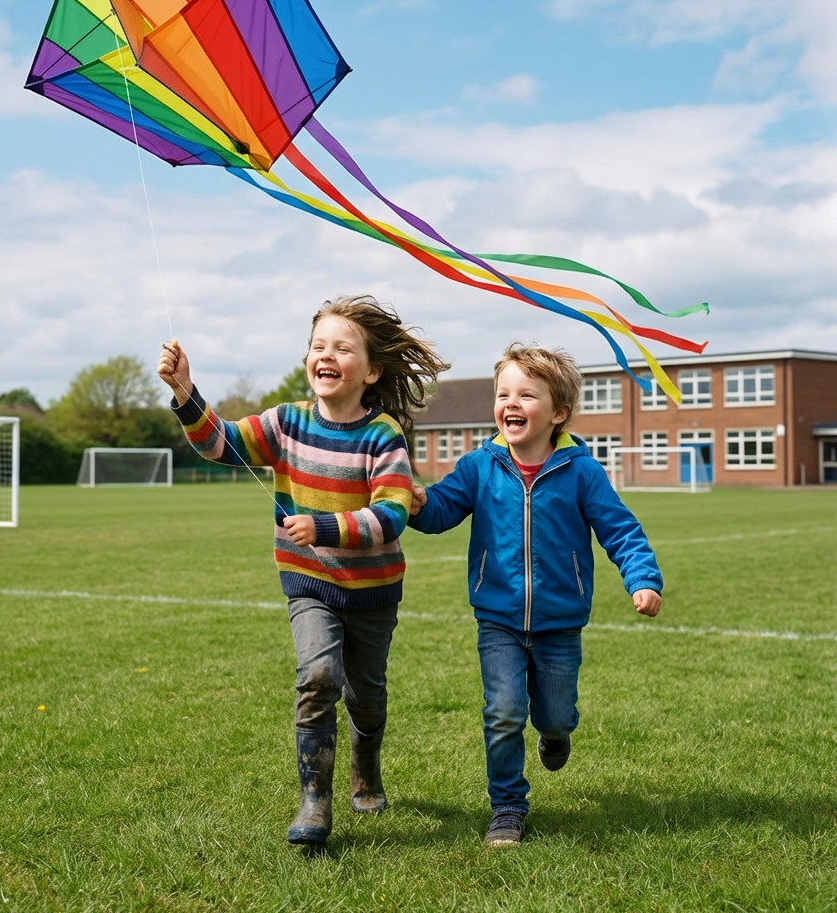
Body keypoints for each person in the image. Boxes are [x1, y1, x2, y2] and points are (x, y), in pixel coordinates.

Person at [157, 296, 449, 846]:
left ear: (372, 370)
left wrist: (324, 526)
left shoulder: (382, 434)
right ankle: (315, 801)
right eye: (319, 346)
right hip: (308, 583)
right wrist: (184, 393)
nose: (327, 355)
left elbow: (391, 515)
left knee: (367, 694)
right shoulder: (284, 422)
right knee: (317, 679)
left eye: (343, 348)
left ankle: (367, 762)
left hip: (373, 591)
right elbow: (221, 444)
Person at [408, 343, 663, 847]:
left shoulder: (581, 472)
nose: (511, 403)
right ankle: (507, 807)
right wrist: (419, 503)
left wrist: (642, 578)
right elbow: (441, 511)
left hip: (559, 624)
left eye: (527, 394)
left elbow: (620, 530)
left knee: (555, 712)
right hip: (498, 619)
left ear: (559, 413)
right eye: (504, 393)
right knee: (503, 712)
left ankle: (557, 732)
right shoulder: (480, 466)